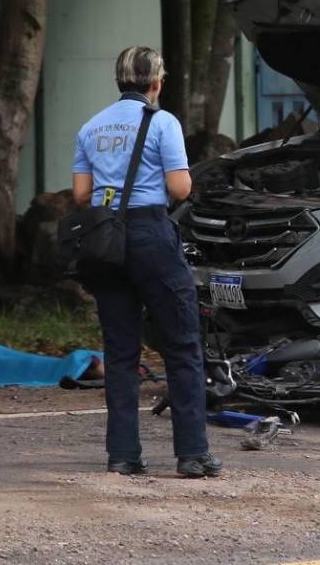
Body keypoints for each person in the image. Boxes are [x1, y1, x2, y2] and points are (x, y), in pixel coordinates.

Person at [72, 46, 222, 478]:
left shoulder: (91, 127)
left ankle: (122, 456)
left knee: (119, 352)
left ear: (119, 82)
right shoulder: (163, 122)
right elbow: (179, 188)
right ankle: (192, 454)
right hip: (150, 236)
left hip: (106, 243)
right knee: (181, 345)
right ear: (156, 83)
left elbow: (82, 195)